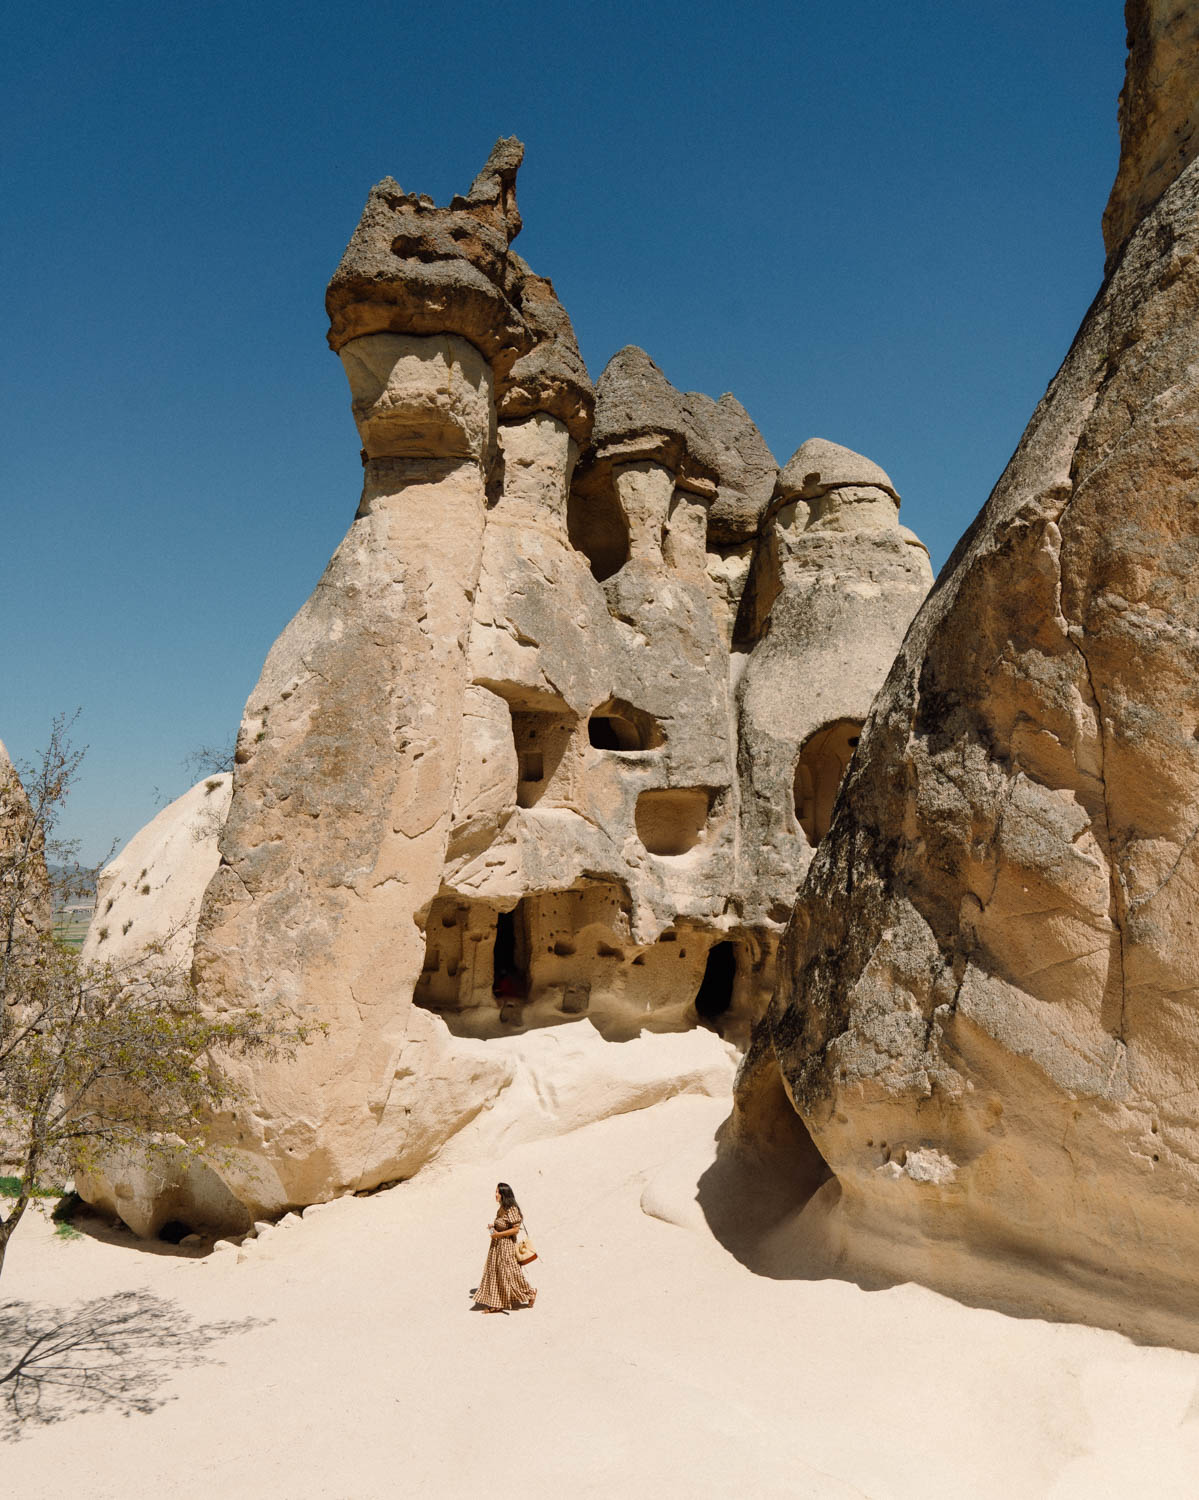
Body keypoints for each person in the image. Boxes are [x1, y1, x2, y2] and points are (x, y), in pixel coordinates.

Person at [472, 1182, 536, 1313]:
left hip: (506, 1246)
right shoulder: (501, 1208)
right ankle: (498, 1303)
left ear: (504, 1194)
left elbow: (516, 1230)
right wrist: (493, 1228)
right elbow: (502, 1225)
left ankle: (531, 1292)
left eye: (497, 1192)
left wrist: (498, 1234)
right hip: (496, 1246)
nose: (495, 1195)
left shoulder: (512, 1209)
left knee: (511, 1273)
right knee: (496, 1273)